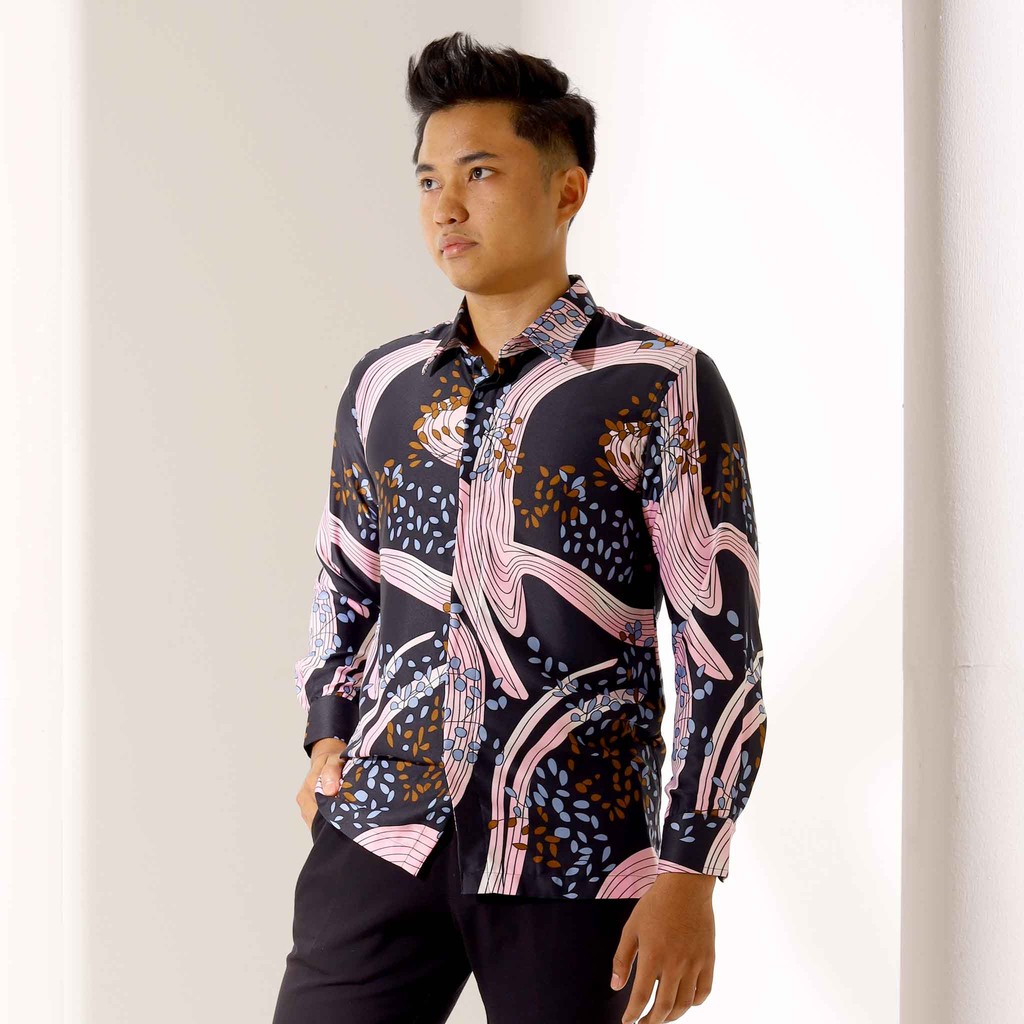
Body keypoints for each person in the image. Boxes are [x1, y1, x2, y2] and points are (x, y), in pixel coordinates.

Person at [272, 30, 767, 1024]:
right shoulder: (385, 385)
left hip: (574, 846)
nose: (445, 205)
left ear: (566, 190)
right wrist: (326, 735)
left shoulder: (656, 384)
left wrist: (689, 868)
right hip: (382, 828)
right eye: (427, 180)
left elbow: (719, 645)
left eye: (480, 173)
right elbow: (346, 583)